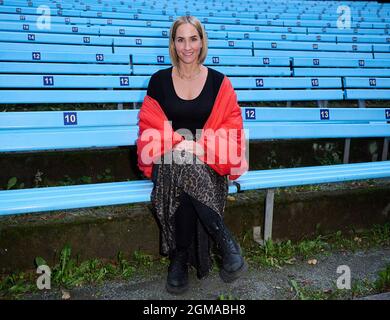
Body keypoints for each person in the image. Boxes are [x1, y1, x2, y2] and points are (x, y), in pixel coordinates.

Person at [136, 16, 248, 295]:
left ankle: (180, 257)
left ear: (202, 41)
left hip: (208, 162)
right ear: (173, 43)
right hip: (166, 159)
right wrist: (180, 144)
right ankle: (225, 243)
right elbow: (149, 130)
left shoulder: (220, 83)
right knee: (182, 164)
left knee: (190, 170)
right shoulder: (159, 81)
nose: (187, 46)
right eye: (180, 39)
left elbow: (233, 131)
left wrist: (198, 147)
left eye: (193, 39)